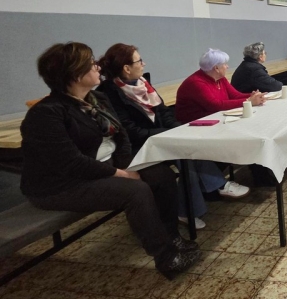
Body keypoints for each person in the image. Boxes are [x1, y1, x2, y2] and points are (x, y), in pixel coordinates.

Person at [22, 42, 200, 279]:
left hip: (105, 167)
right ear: (74, 73)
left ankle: (171, 236)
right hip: (61, 184)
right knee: (135, 191)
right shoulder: (46, 114)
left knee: (161, 174)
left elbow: (121, 136)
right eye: (91, 64)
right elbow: (71, 163)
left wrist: (127, 164)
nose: (98, 67)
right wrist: (122, 174)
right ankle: (166, 257)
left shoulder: (97, 99)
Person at [97, 44, 244, 230]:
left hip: (157, 137)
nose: (144, 63)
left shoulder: (143, 83)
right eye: (139, 61)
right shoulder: (109, 94)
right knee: (185, 158)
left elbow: (164, 112)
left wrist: (179, 129)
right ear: (127, 68)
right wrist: (169, 135)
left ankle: (198, 201)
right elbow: (130, 131)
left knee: (189, 148)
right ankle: (195, 204)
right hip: (137, 146)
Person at [175, 49, 273, 187]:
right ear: (216, 68)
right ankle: (255, 176)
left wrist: (253, 96)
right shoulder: (196, 83)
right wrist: (249, 101)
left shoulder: (220, 79)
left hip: (216, 121)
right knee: (246, 137)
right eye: (225, 64)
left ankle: (260, 175)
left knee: (252, 133)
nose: (227, 66)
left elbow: (235, 95)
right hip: (196, 126)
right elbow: (215, 105)